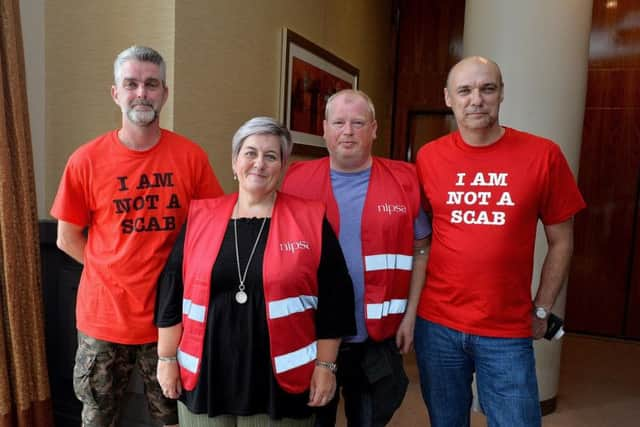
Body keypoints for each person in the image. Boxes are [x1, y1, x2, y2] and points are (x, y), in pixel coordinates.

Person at [50, 45, 223, 427]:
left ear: (164, 92)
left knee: (172, 418)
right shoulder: (86, 159)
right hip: (103, 319)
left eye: (151, 84)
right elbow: (66, 238)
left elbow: (212, 230)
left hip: (170, 319)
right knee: (97, 418)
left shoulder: (191, 157)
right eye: (131, 84)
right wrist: (112, 271)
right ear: (116, 92)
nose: (141, 93)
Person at [414, 56, 586, 427]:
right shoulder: (429, 157)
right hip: (438, 325)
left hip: (506, 329)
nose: (476, 99)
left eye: (487, 88)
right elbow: (421, 239)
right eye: (465, 90)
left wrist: (541, 308)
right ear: (448, 98)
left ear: (501, 94)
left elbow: (562, 241)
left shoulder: (543, 155)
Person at [155, 116, 356, 426]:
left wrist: (326, 366)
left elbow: (335, 299)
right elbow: (172, 293)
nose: (259, 164)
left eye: (271, 156)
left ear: (283, 166)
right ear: (235, 163)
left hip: (280, 381)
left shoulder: (310, 219)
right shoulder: (200, 217)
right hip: (206, 375)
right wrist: (166, 359)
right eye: (250, 153)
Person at [281, 89, 431, 426]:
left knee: (369, 418)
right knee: (313, 419)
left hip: (376, 337)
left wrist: (410, 316)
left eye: (358, 122)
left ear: (374, 129)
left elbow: (422, 248)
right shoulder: (294, 180)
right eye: (339, 122)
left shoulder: (405, 180)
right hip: (313, 334)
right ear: (324, 129)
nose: (347, 131)